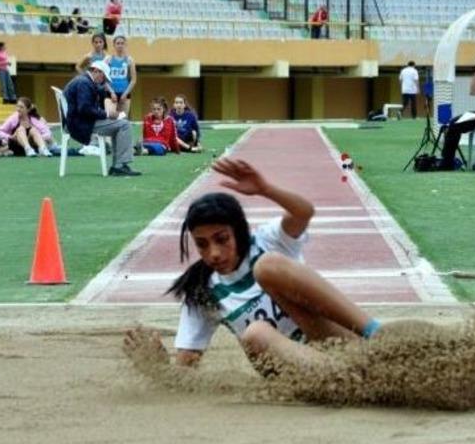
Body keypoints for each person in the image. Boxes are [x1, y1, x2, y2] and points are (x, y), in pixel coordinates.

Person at [122, 158, 382, 372]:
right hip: (299, 374)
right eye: (202, 244)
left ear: (239, 231)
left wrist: (265, 189)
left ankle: (378, 336)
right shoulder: (202, 291)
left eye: (222, 239)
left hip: (337, 343)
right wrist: (157, 369)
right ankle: (349, 380)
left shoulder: (267, 242)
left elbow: (304, 212)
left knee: (267, 267)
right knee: (256, 334)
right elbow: (185, 369)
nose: (213, 253)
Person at [63, 60, 141, 176]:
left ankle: (118, 165)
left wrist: (101, 91)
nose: (104, 81)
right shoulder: (84, 83)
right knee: (124, 124)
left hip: (78, 121)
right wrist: (107, 114)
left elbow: (86, 106)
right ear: (96, 72)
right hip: (80, 123)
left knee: (119, 124)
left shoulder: (83, 81)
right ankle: (120, 165)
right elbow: (84, 109)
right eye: (104, 77)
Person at [105, 27, 137, 116]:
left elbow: (133, 80)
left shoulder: (130, 60)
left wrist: (125, 94)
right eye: (118, 43)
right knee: (111, 115)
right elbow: (103, 79)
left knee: (122, 119)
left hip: (124, 93)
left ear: (125, 45)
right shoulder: (108, 59)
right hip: (111, 92)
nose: (120, 45)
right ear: (114, 45)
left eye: (122, 43)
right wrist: (111, 92)